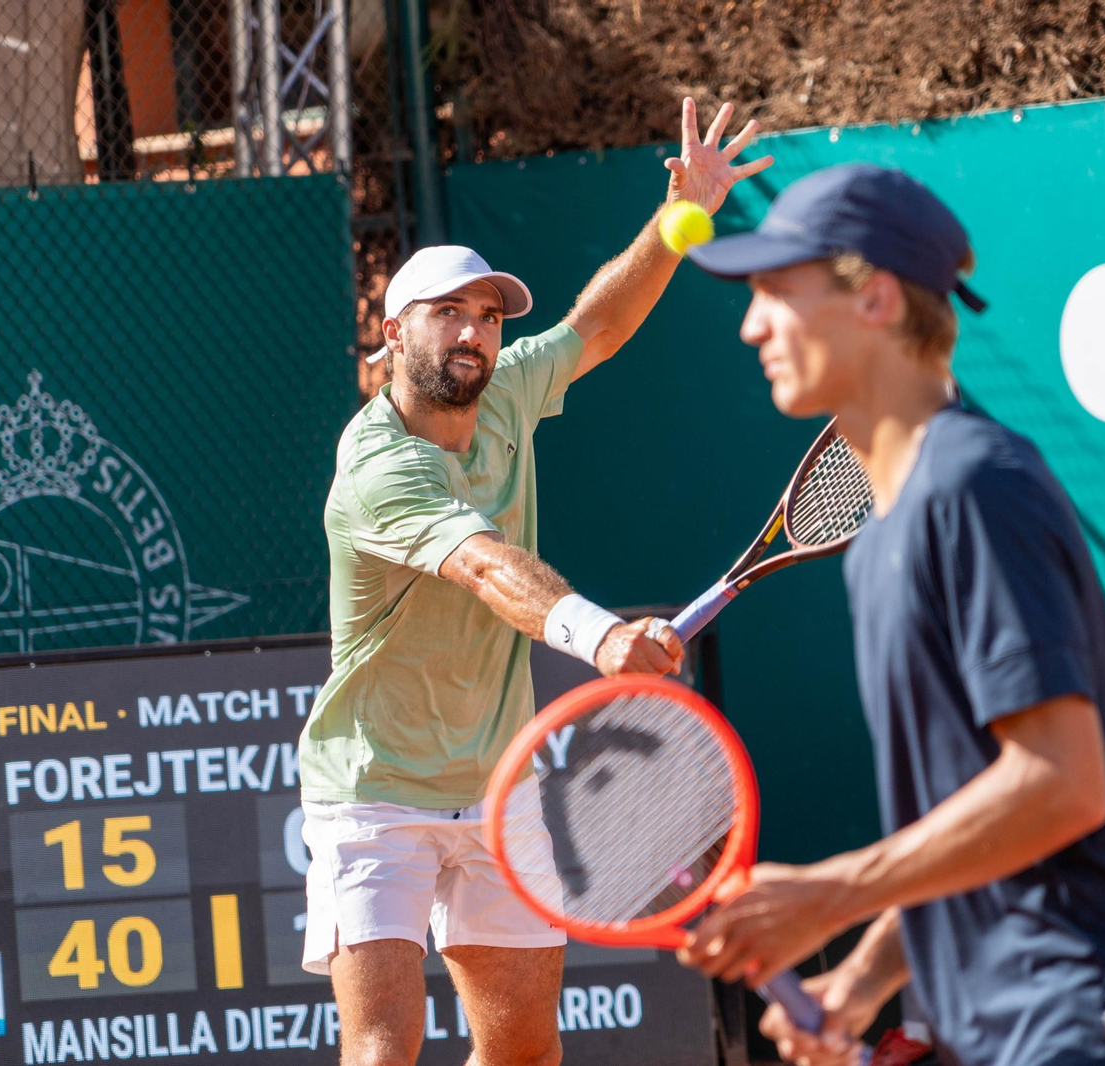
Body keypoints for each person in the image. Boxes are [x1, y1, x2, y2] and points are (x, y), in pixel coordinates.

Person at [672, 164, 1105, 1066]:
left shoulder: (976, 486)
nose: (752, 324)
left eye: (778, 291)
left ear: (877, 300)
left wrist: (831, 893)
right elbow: (975, 815)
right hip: (1021, 1020)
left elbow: (1062, 785)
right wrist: (862, 980)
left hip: (1097, 1010)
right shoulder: (890, 529)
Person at [299, 98, 771, 1066]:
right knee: (385, 1050)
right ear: (394, 332)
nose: (472, 333)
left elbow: (594, 326)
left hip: (495, 781)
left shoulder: (507, 386)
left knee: (523, 1052)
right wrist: (602, 636)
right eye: (447, 315)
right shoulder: (379, 464)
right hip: (371, 792)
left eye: (485, 315)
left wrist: (679, 215)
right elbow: (482, 563)